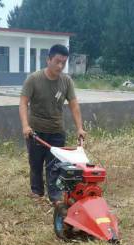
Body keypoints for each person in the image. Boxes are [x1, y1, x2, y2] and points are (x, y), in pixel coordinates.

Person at [19, 44, 87, 205]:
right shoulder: (34, 79)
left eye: (63, 62)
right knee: (35, 163)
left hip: (56, 131)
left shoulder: (66, 81)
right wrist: (25, 126)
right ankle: (37, 191)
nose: (60, 66)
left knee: (55, 165)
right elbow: (23, 103)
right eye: (57, 61)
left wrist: (80, 127)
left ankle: (54, 195)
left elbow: (74, 105)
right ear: (48, 59)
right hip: (35, 131)